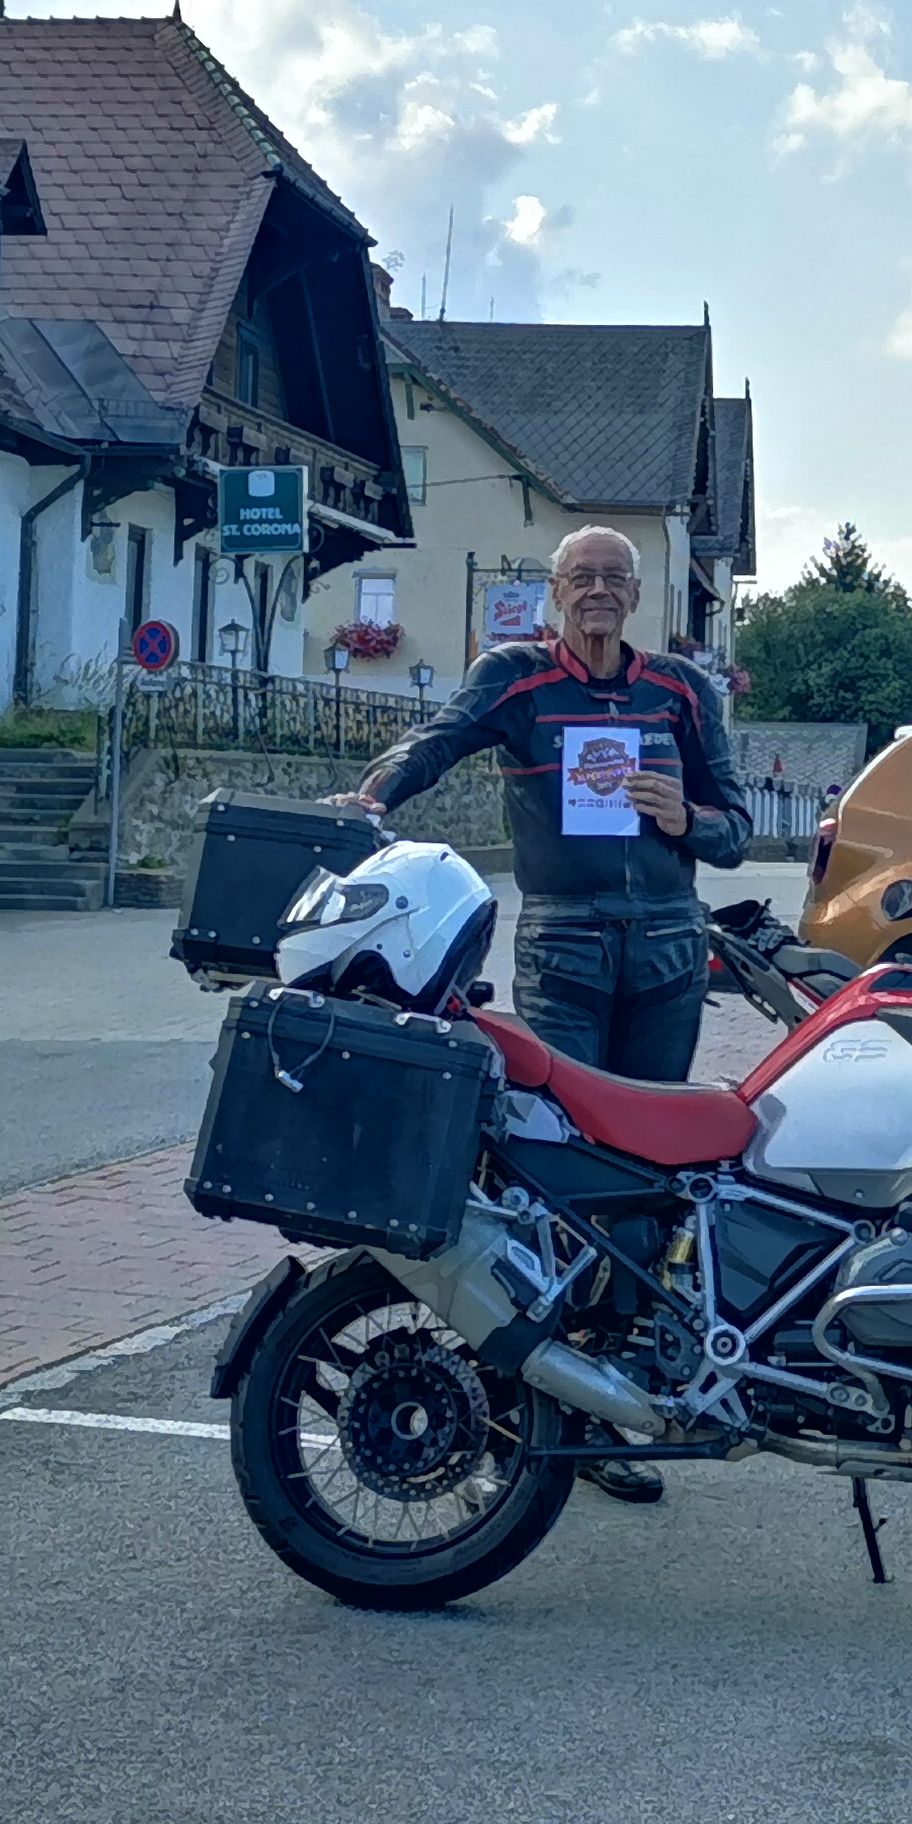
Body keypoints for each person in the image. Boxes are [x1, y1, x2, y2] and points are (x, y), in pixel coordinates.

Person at [352, 523, 750, 1506]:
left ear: (639, 593)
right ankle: (522, 1409)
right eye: (583, 577)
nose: (600, 591)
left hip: (667, 950)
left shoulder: (680, 691)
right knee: (556, 1180)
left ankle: (611, 1405)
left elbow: (737, 828)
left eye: (616, 576)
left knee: (647, 1183)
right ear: (557, 591)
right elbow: (437, 739)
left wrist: (685, 819)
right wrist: (372, 798)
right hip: (564, 947)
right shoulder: (517, 677)